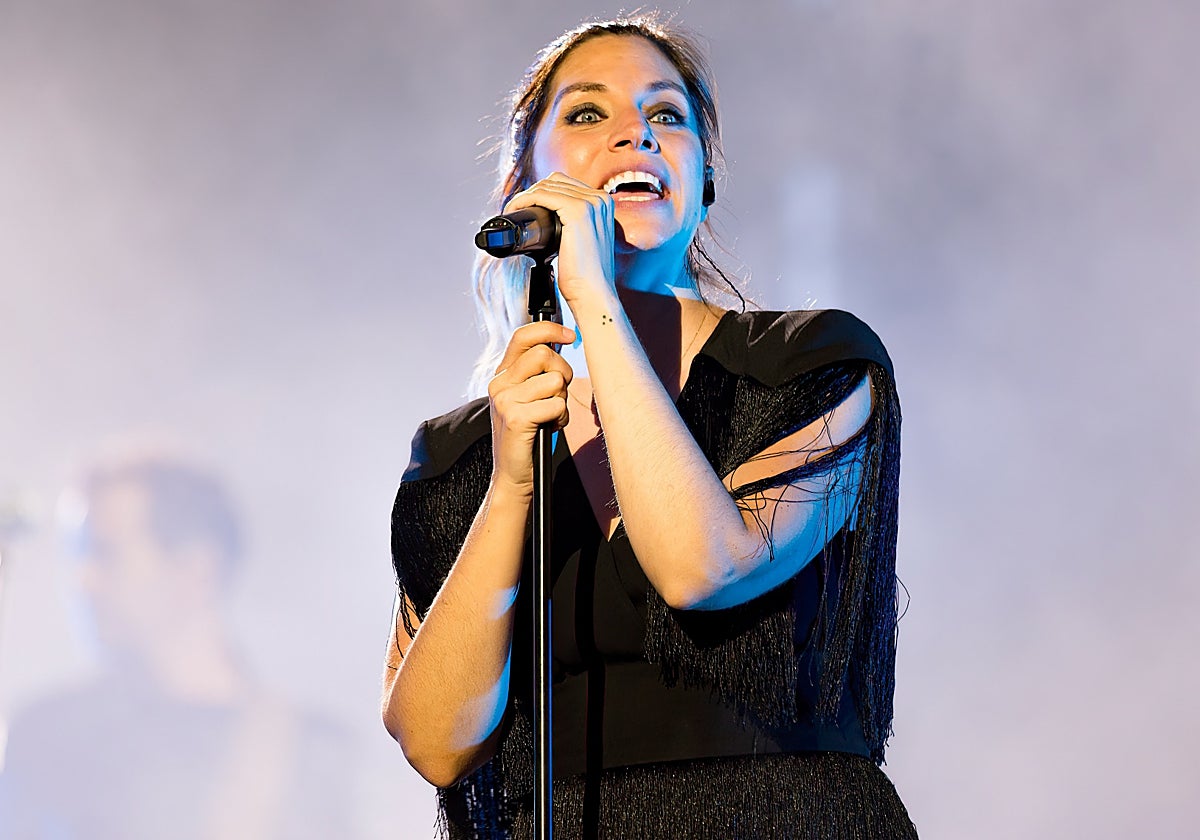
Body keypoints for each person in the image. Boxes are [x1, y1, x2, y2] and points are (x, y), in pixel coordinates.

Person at [382, 14, 915, 839]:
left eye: (667, 116)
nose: (635, 133)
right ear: (523, 182)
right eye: (588, 115)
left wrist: (594, 298)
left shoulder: (809, 366)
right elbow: (436, 743)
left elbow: (702, 568)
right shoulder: (458, 456)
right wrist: (515, 483)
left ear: (704, 178)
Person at [0, 452, 354, 839]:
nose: (81, 580)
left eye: (104, 552)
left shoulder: (310, 751)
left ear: (195, 571)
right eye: (79, 555)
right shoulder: (49, 735)